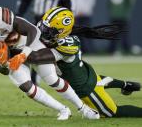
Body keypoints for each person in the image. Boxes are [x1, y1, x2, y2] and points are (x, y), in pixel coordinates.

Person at [0, 7, 100, 120]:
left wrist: (25, 53)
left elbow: (32, 30)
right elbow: (2, 70)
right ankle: (63, 110)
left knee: (51, 78)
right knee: (26, 86)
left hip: (26, 42)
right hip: (12, 55)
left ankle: (83, 108)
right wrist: (4, 62)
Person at [8, 7, 142, 118]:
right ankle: (125, 84)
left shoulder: (66, 45)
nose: (42, 31)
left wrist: (11, 49)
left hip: (84, 88)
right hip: (86, 73)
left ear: (61, 32)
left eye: (49, 30)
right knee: (98, 82)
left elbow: (36, 57)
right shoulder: (56, 36)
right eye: (43, 26)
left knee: (112, 112)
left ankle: (130, 94)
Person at [16, 0, 72, 85]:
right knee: (34, 48)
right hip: (39, 22)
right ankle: (34, 78)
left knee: (49, 52)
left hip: (53, 27)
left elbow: (67, 12)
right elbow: (25, 0)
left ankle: (61, 75)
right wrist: (19, 14)